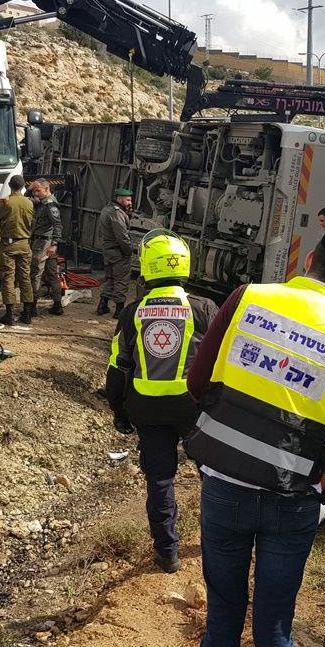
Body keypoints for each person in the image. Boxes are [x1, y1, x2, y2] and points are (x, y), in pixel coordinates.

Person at [185, 226, 325, 647]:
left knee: (221, 617)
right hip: (292, 496)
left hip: (225, 482)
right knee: (273, 628)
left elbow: (197, 382)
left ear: (307, 261)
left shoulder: (247, 298)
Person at [102, 231, 218, 573]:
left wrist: (119, 411)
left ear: (147, 267)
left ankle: (167, 553)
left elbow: (118, 368)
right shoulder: (204, 309)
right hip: (193, 409)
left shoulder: (133, 313)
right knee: (210, 475)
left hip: (147, 410)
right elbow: (223, 363)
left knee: (160, 480)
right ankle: (216, 543)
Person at [0, 175, 35, 326]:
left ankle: (9, 314)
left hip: (8, 245)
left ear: (10, 185)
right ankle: (27, 313)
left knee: (8, 277)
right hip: (24, 243)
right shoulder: (29, 203)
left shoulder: (6, 202)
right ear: (23, 186)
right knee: (25, 277)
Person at [29, 178, 65, 317]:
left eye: (38, 190)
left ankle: (32, 306)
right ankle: (57, 304)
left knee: (36, 274)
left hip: (44, 244)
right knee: (52, 274)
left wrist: (54, 244)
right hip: (45, 243)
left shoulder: (50, 205)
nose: (36, 193)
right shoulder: (43, 203)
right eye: (34, 191)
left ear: (46, 189)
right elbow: (27, 200)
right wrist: (29, 189)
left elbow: (58, 225)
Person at [97, 188, 133, 319]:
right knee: (121, 280)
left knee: (110, 278)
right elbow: (122, 236)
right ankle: (119, 310)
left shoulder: (107, 209)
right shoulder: (117, 213)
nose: (130, 202)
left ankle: (102, 305)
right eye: (128, 200)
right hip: (118, 252)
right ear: (120, 199)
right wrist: (128, 251)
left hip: (108, 250)